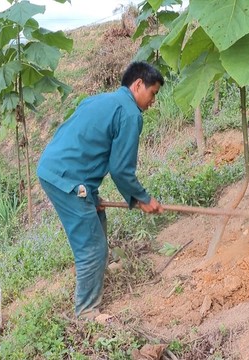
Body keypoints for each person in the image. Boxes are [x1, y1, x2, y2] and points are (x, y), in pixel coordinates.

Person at [37, 61, 165, 320]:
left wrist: (92, 194)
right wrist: (143, 198)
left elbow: (83, 142)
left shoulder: (99, 100)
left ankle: (98, 269)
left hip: (55, 168)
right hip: (67, 180)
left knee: (97, 214)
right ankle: (86, 311)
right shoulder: (130, 114)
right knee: (91, 247)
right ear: (138, 85)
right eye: (153, 93)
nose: (153, 101)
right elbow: (121, 170)